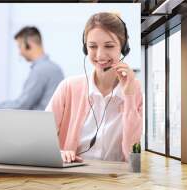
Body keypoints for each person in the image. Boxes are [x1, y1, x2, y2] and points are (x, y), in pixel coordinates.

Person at [46, 12, 143, 163]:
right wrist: (58, 153)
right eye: (92, 46)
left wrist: (129, 95)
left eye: (109, 46)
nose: (100, 55)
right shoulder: (68, 87)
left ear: (123, 47)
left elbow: (134, 157)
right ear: (85, 49)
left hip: (117, 180)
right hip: (72, 177)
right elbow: (42, 139)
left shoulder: (135, 88)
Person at [0, 26, 64, 110]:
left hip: (39, 122)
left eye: (20, 47)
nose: (20, 53)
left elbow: (22, 104)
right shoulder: (56, 68)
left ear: (29, 44)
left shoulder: (40, 70)